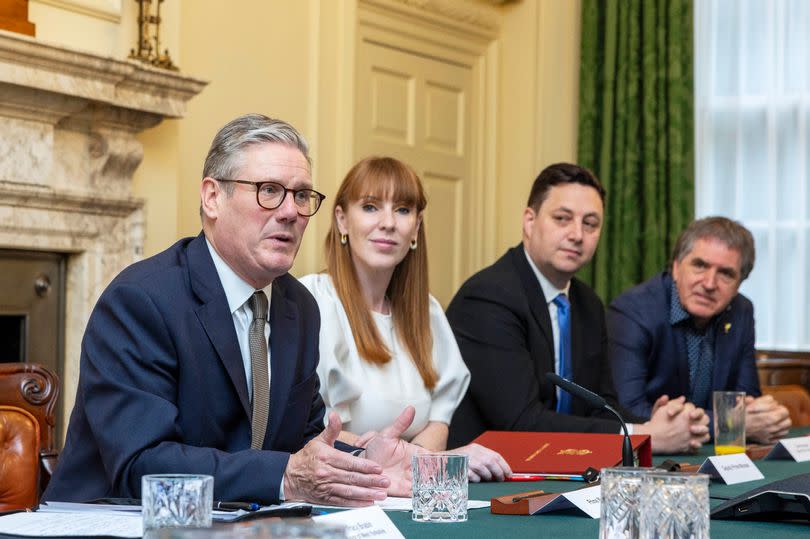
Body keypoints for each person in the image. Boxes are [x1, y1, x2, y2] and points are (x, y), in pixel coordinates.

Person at [43, 114, 422, 507]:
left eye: (302, 195)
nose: (291, 212)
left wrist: (363, 463)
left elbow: (304, 440)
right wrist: (283, 478)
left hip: (236, 523)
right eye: (269, 190)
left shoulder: (298, 306)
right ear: (212, 198)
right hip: (113, 522)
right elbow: (141, 465)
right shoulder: (141, 300)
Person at [446, 162, 710, 453]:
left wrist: (660, 424)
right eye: (562, 218)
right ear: (530, 222)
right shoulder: (488, 297)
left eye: (590, 224)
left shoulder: (587, 304)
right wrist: (642, 435)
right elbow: (521, 422)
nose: (577, 234)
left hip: (560, 469)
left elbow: (600, 407)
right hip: (487, 480)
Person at [300, 156, 511, 482]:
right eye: (370, 207)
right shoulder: (313, 301)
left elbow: (439, 421)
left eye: (402, 210)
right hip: (338, 490)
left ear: (416, 227)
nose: (388, 223)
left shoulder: (428, 314)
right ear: (342, 220)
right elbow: (312, 429)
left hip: (410, 491)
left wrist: (414, 464)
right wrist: (394, 459)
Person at [607, 216, 791, 444]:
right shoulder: (633, 310)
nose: (709, 283)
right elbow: (627, 410)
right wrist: (732, 423)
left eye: (725, 273)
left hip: (716, 457)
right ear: (676, 267)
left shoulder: (741, 310)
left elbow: (746, 400)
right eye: (700, 265)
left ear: (739, 284)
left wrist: (766, 416)